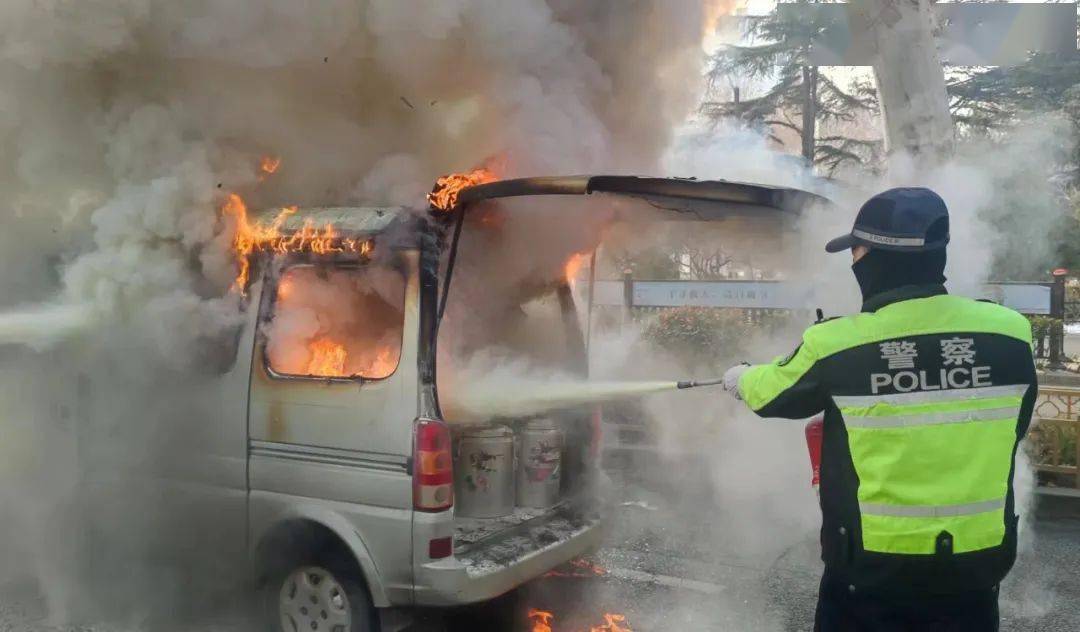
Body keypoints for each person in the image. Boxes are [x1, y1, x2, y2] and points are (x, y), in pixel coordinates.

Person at [721, 188, 1037, 632]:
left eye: (856, 251)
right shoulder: (1010, 332)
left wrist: (739, 378)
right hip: (976, 570)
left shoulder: (839, 343)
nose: (853, 261)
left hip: (871, 575)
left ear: (873, 257)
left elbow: (773, 394)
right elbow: (1015, 427)